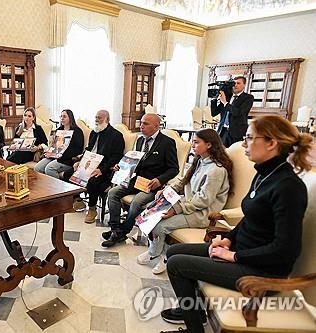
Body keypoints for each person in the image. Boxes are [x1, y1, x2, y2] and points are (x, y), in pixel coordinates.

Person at [159, 115, 312, 333]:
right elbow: (250, 219)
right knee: (174, 251)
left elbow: (286, 249)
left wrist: (234, 256)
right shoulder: (264, 174)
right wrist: (229, 240)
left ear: (271, 143)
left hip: (261, 271)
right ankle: (196, 311)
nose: (243, 144)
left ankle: (194, 329)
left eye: (249, 138)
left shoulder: (289, 187)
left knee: (177, 265)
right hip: (244, 252)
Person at [137, 128, 233, 274]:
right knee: (150, 212)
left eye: (196, 142)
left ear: (209, 145)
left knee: (159, 226)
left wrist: (175, 209)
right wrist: (167, 190)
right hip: (189, 205)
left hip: (202, 214)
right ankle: (158, 251)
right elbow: (183, 181)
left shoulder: (216, 171)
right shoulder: (200, 161)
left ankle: (159, 255)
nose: (192, 145)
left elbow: (203, 200)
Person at [102, 113, 179, 248]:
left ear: (156, 126)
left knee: (136, 202)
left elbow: (174, 169)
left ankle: (122, 232)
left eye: (145, 124)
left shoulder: (167, 143)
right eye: (141, 122)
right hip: (136, 180)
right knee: (113, 193)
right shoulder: (140, 140)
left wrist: (159, 180)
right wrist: (122, 166)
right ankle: (115, 229)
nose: (141, 126)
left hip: (153, 184)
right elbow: (135, 162)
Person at [64, 110, 124, 223]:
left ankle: (92, 209)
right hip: (89, 164)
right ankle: (77, 199)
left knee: (92, 181)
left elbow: (116, 157)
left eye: (100, 118)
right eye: (96, 117)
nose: (97, 120)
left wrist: (102, 169)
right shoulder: (94, 132)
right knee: (67, 174)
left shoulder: (116, 135)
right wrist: (80, 162)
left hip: (104, 168)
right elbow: (88, 150)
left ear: (107, 119)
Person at [34, 109, 84, 179]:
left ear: (70, 118)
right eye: (61, 116)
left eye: (64, 116)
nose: (62, 118)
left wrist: (62, 155)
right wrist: (49, 153)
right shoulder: (59, 130)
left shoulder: (77, 131)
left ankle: (57, 189)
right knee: (37, 168)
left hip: (67, 159)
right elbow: (54, 145)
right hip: (54, 156)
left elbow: (78, 150)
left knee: (49, 169)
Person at [211, 76, 254, 147]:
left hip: (237, 133)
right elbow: (214, 113)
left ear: (244, 85)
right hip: (223, 131)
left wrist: (225, 103)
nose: (235, 85)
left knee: (234, 154)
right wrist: (214, 99)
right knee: (222, 154)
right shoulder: (227, 97)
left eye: (238, 83)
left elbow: (238, 113)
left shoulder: (248, 98)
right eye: (234, 83)